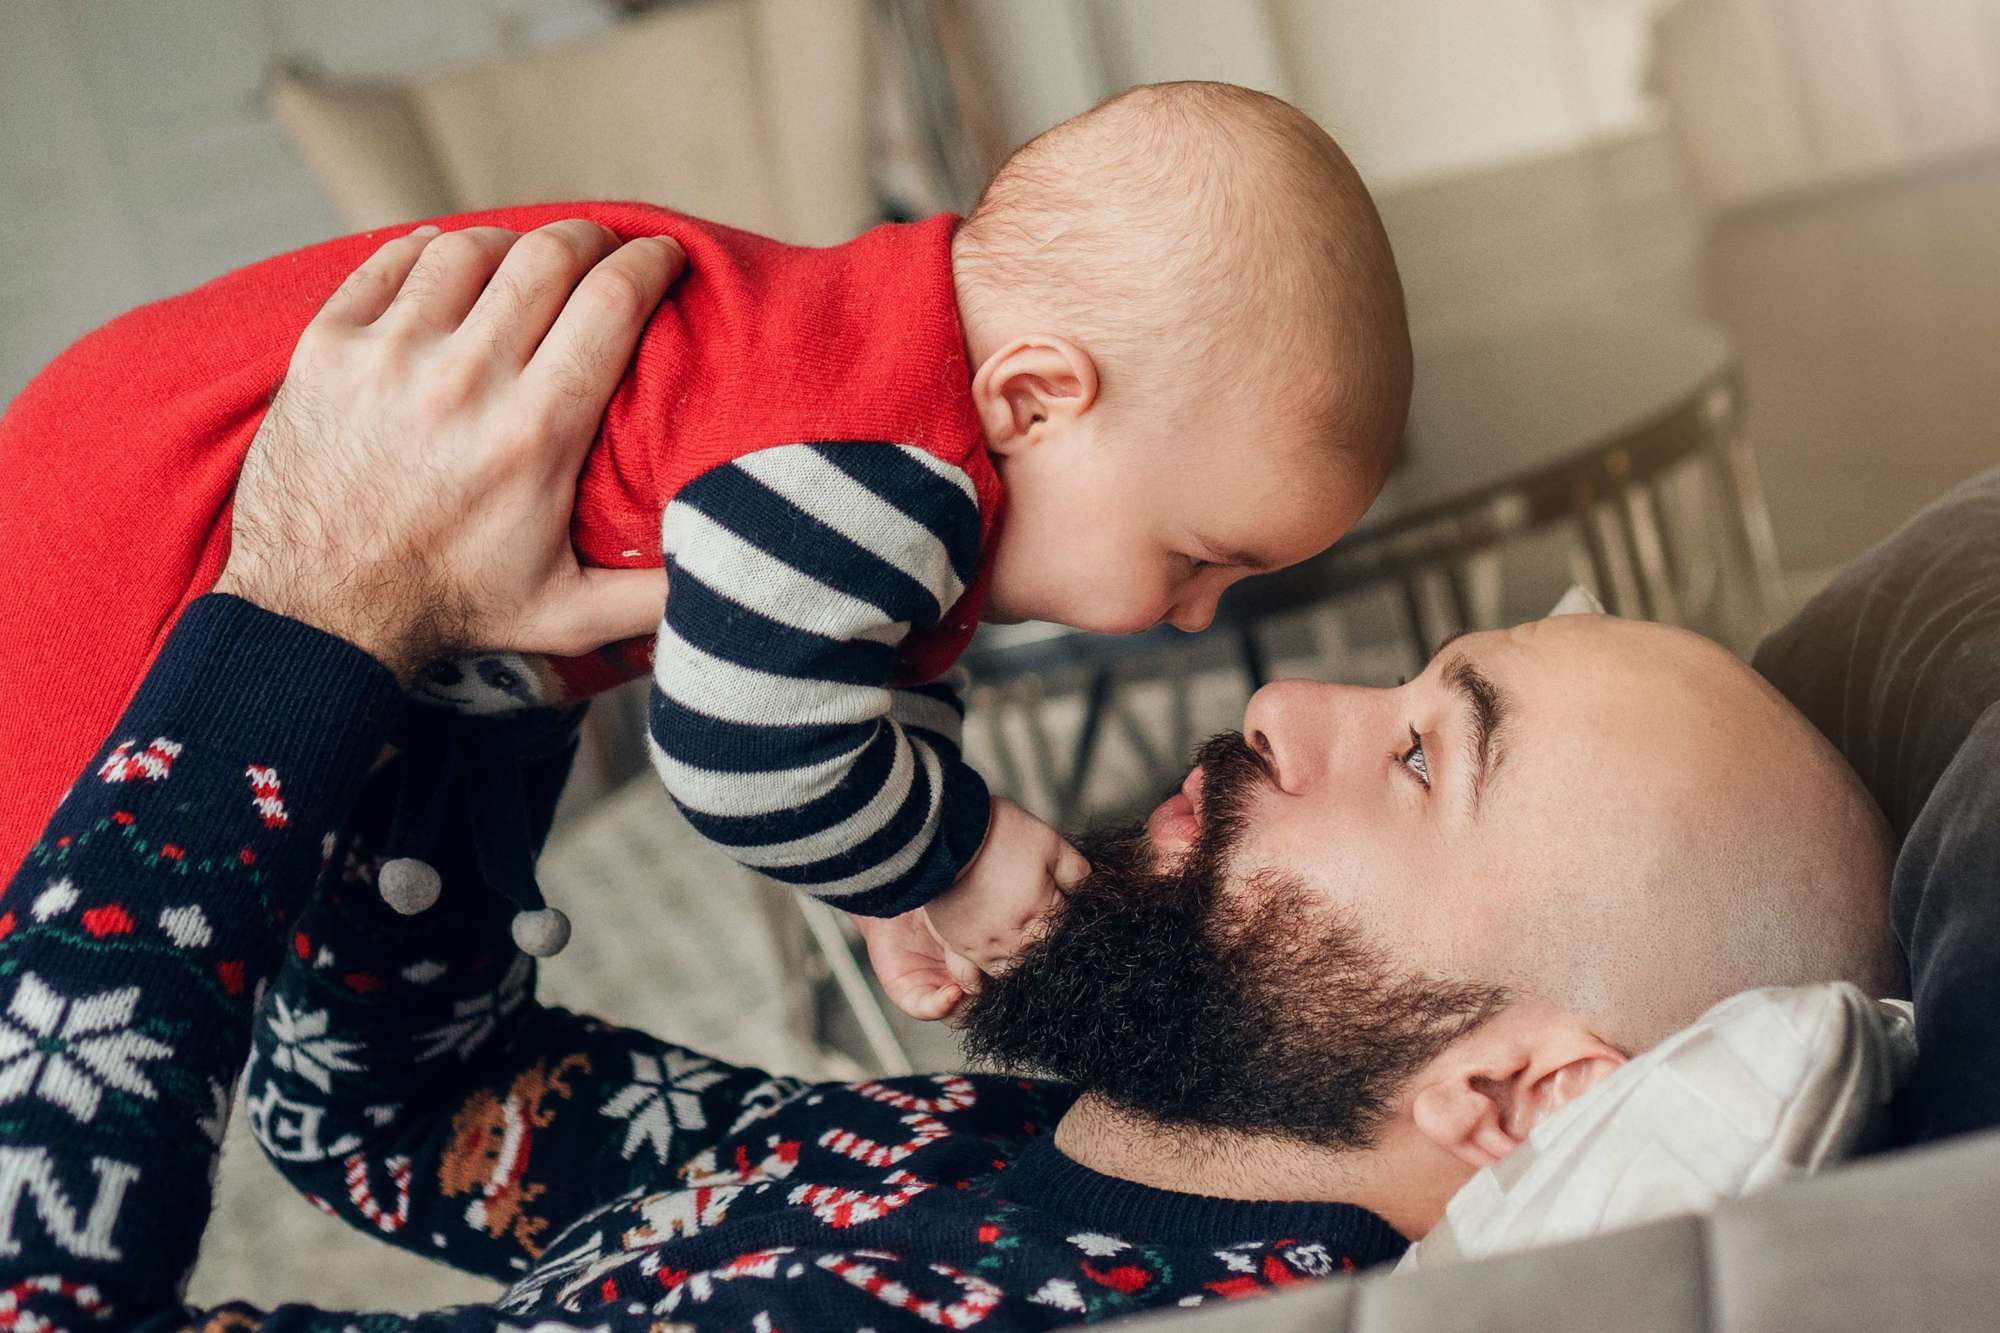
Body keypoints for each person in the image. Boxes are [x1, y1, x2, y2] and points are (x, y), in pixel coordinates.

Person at [0, 226, 1906, 1330]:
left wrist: (305, 620)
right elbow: (417, 1120)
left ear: (1514, 1090)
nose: (1279, 701)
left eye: (1423, 753)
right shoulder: (1024, 1170)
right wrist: (493, 659)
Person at [0, 80, 1413, 997]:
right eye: (1195, 556)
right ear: (1036, 399)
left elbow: (842, 679)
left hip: (122, 448)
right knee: (79, 951)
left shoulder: (872, 388)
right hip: (131, 535)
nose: (1189, 617)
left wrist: (882, 862)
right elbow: (748, 749)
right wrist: (958, 855)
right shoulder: (883, 466)